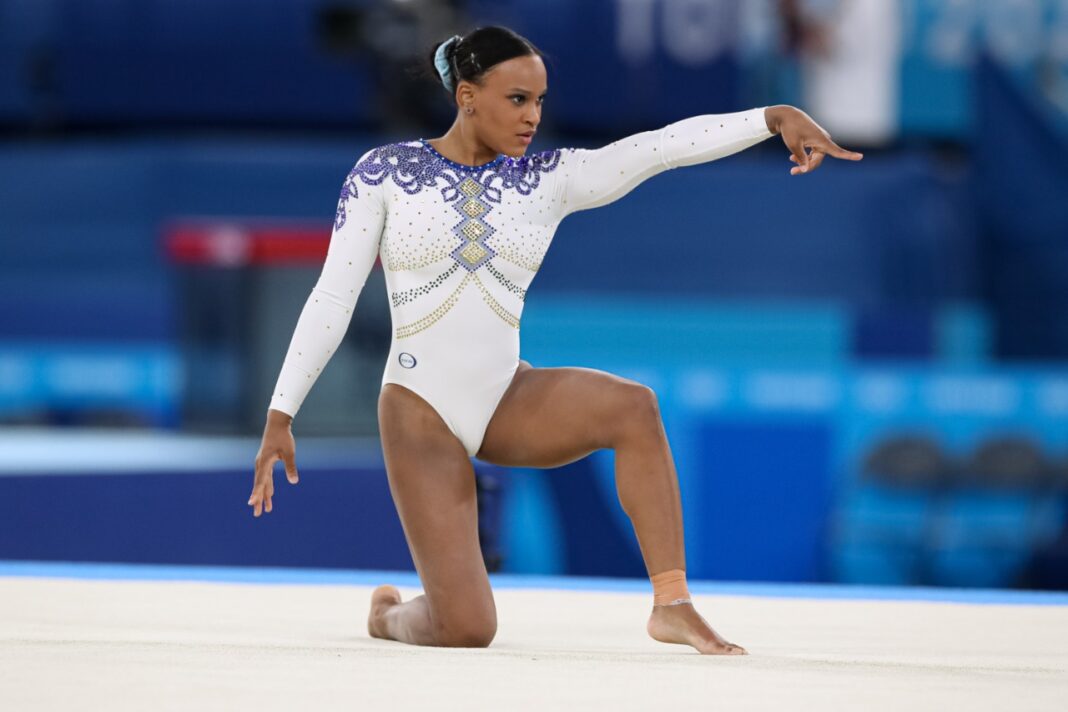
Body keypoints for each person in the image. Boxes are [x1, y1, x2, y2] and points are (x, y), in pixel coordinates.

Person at [250, 25, 862, 655]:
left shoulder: (551, 178)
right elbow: (333, 296)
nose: (533, 117)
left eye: (540, 101)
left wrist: (770, 116)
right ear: (467, 96)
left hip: (505, 397)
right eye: (517, 99)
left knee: (634, 407)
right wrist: (282, 412)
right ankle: (389, 616)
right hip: (419, 409)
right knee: (466, 630)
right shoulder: (384, 173)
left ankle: (672, 604)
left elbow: (660, 148)